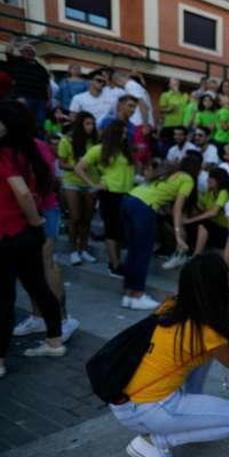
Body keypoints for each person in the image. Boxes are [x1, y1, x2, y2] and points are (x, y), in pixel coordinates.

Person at [110, 254, 229, 457]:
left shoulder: (172, 305)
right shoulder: (208, 329)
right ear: (218, 284)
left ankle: (183, 409)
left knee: (202, 356)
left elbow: (228, 308)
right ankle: (156, 441)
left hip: (125, 398)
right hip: (147, 408)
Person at [0, 101, 66, 376]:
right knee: (37, 285)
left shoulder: (4, 153)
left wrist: (34, 219)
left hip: (9, 231)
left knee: (4, 296)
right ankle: (54, 340)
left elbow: (22, 192)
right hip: (28, 232)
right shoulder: (35, 149)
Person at [121, 157, 198, 310]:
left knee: (134, 251)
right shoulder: (188, 179)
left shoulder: (171, 173)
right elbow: (177, 208)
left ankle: (128, 295)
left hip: (130, 199)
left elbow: (165, 199)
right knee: (143, 252)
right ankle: (137, 295)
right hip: (144, 207)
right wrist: (178, 235)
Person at [75, 120, 135, 278]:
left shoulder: (124, 150)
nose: (124, 135)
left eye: (125, 133)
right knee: (112, 231)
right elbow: (79, 168)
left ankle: (117, 262)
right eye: (121, 133)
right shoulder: (99, 149)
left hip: (126, 193)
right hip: (110, 193)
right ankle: (114, 265)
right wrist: (93, 185)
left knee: (120, 232)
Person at [58, 111, 100, 265]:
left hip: (91, 182)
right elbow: (61, 163)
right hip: (72, 181)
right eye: (88, 123)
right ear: (80, 124)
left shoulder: (95, 142)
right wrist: (76, 166)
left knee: (87, 218)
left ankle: (83, 248)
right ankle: (73, 250)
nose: (91, 127)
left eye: (93, 124)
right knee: (75, 217)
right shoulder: (66, 140)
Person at [5, 39, 51, 132]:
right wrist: (14, 39)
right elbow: (8, 51)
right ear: (21, 52)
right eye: (25, 50)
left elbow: (47, 85)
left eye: (30, 50)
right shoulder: (18, 62)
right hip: (24, 97)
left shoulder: (41, 68)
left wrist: (48, 99)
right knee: (23, 121)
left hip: (40, 99)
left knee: (39, 124)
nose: (28, 52)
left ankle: (38, 143)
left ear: (34, 53)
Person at [158, 78, 189, 149]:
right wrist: (169, 109)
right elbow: (161, 109)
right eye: (174, 81)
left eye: (177, 81)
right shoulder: (165, 95)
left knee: (178, 147)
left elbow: (187, 109)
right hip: (168, 125)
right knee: (167, 146)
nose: (176, 82)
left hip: (180, 126)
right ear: (169, 85)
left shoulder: (184, 95)